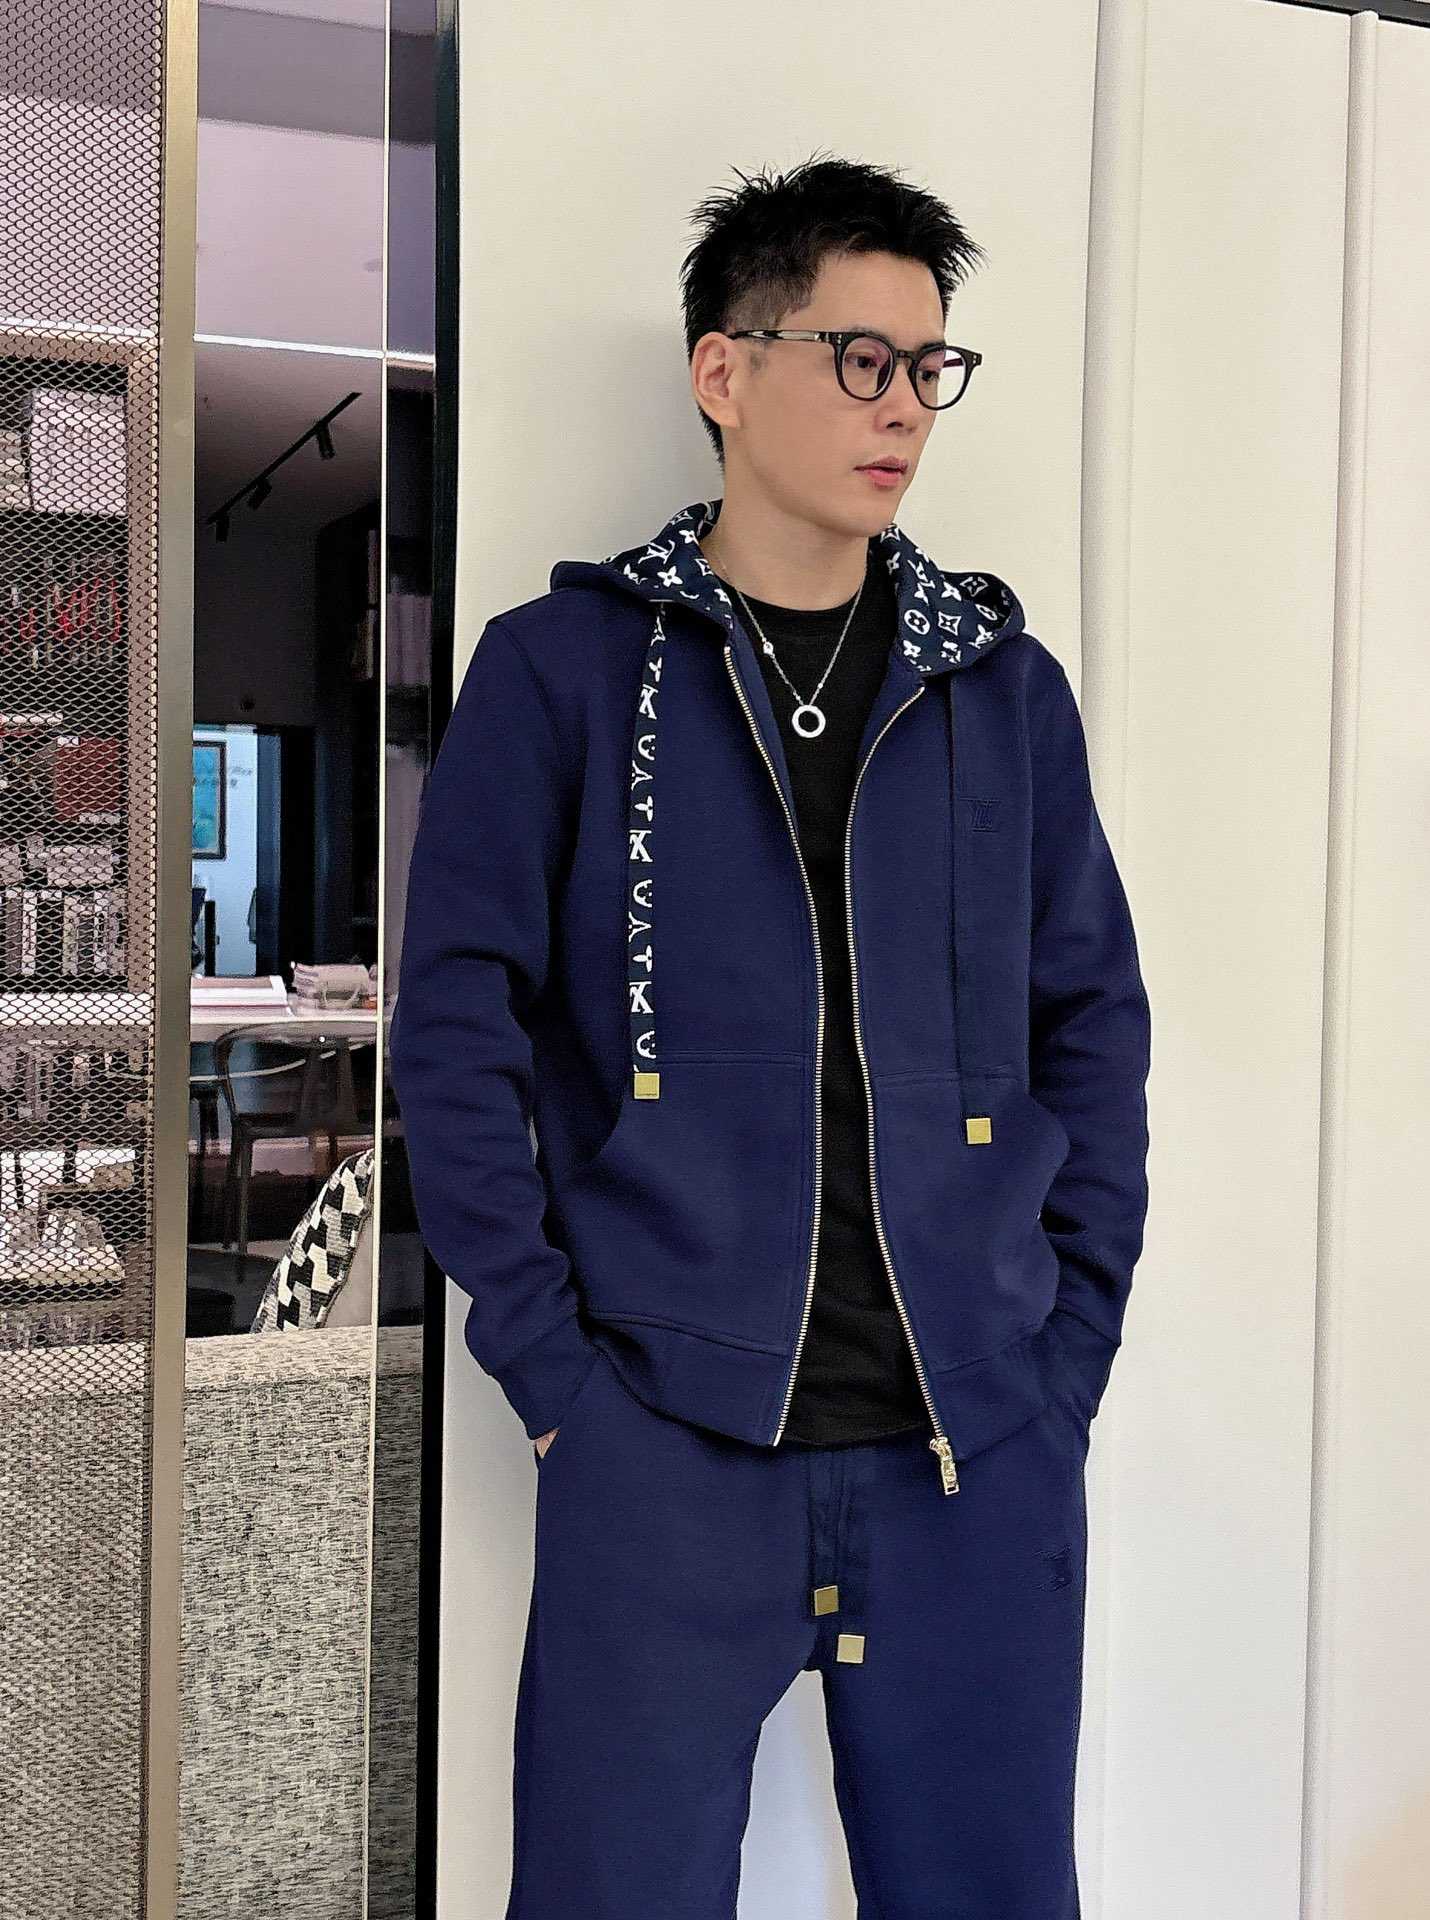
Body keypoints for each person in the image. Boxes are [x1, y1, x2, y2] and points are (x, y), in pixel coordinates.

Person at [388, 151, 1151, 1920]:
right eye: (860, 358)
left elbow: (1092, 1025)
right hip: (666, 1445)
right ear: (723, 371)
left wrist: (1067, 1362)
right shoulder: (566, 671)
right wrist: (560, 1381)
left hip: (972, 1450)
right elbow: (456, 1035)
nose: (905, 408)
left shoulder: (1000, 691)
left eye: (930, 366)